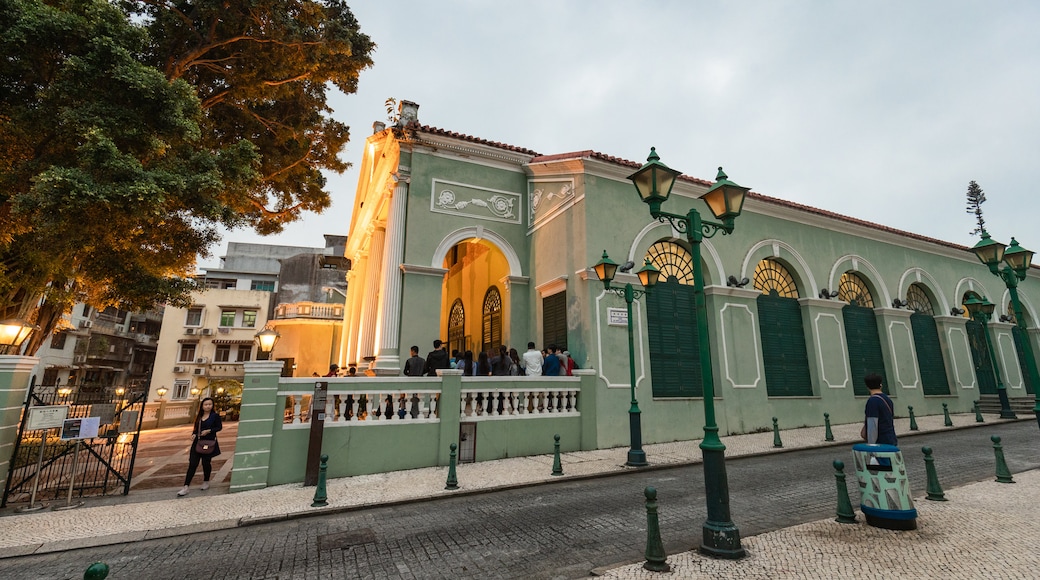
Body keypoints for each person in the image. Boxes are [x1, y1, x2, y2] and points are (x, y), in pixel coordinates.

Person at [178, 397, 222, 496]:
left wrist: (209, 431)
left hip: (208, 442)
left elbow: (219, 427)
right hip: (197, 442)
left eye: (210, 404)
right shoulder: (199, 416)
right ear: (202, 406)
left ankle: (206, 481)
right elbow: (196, 428)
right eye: (206, 404)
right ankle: (186, 486)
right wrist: (193, 434)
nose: (208, 406)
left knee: (206, 463)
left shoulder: (215, 416)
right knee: (192, 463)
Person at [863, 373, 897, 446]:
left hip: (881, 441)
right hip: (891, 438)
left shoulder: (872, 401)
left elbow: (873, 426)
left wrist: (871, 446)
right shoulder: (887, 399)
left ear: (867, 387)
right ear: (881, 385)